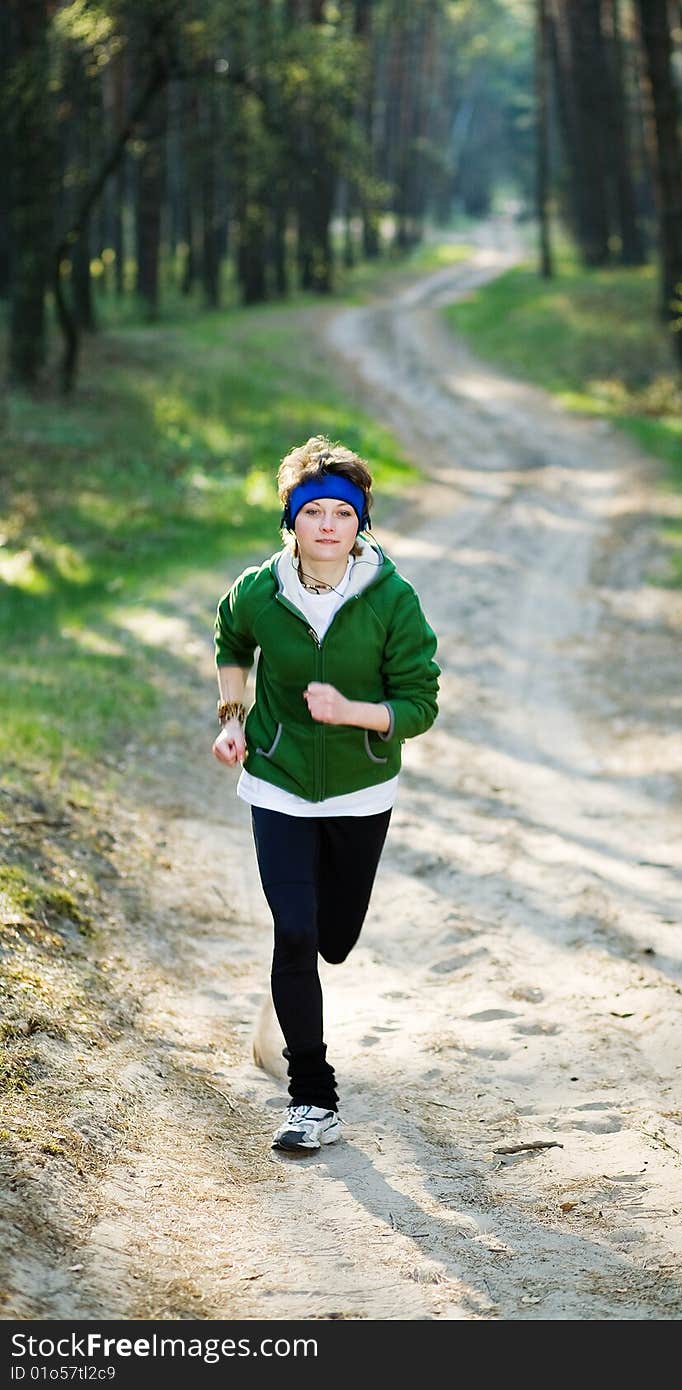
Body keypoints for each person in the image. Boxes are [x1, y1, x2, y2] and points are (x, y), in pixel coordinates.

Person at [212, 436, 439, 1153]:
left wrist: (353, 712)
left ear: (361, 523)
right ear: (293, 522)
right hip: (276, 781)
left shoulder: (392, 600)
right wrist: (232, 719)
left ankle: (288, 998)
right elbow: (231, 640)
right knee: (296, 933)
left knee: (333, 939)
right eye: (316, 513)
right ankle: (312, 1097)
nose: (330, 526)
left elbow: (420, 703)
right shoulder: (259, 589)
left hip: (360, 788)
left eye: (345, 513)